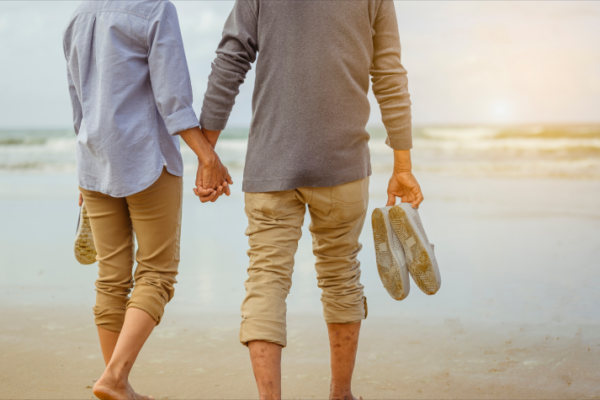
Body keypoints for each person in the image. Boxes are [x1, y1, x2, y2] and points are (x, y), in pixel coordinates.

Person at [197, 1, 424, 399]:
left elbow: (231, 59)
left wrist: (208, 153)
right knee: (341, 278)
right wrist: (402, 163)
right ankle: (341, 394)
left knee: (266, 280)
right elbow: (388, 72)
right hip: (342, 161)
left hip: (271, 159)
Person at [63, 1, 231, 399]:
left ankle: (116, 383)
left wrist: (84, 169)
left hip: (94, 161)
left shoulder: (78, 15)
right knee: (156, 274)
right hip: (145, 157)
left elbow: (78, 103)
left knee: (111, 278)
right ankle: (115, 378)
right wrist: (207, 156)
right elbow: (172, 97)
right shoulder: (156, 9)